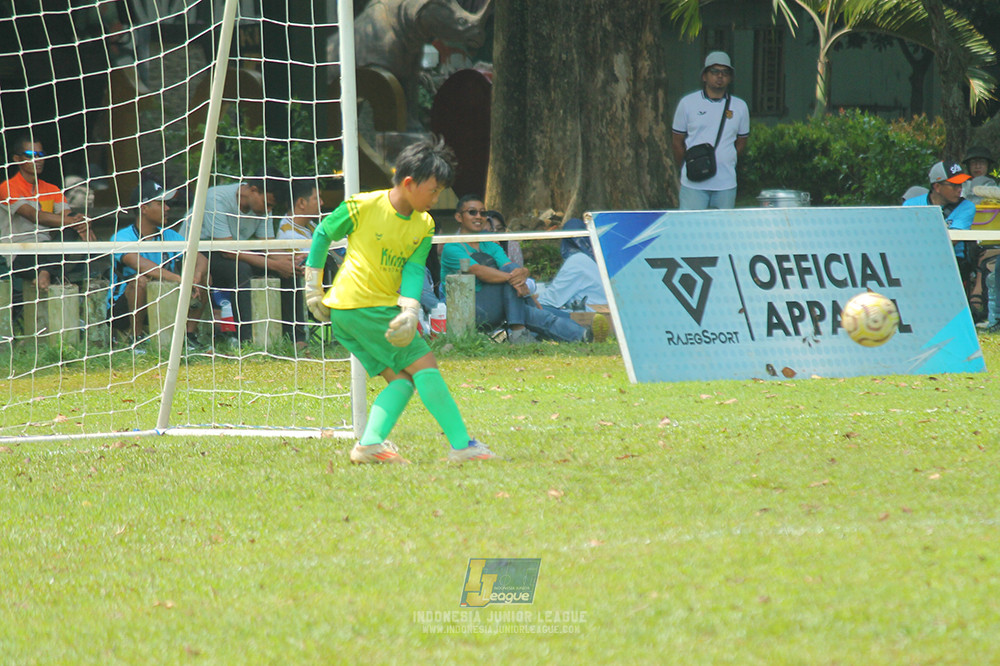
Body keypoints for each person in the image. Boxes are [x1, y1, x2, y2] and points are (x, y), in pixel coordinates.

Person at [302, 138, 496, 464]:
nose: (437, 199)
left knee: (403, 380)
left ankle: (370, 445)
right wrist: (312, 288)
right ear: (409, 183)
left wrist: (409, 309)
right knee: (426, 365)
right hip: (363, 308)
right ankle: (462, 445)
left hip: (366, 314)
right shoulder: (362, 205)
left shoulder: (425, 224)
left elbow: (413, 268)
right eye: (433, 191)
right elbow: (322, 234)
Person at [440, 195, 588, 343]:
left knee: (526, 305)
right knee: (526, 301)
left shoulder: (490, 245)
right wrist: (515, 280)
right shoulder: (452, 247)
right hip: (470, 310)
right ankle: (523, 331)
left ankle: (580, 335)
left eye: (483, 213)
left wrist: (523, 273)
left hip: (499, 305)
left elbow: (510, 266)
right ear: (459, 217)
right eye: (472, 212)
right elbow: (478, 271)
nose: (479, 216)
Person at [182, 174, 298, 346]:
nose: (268, 210)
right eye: (267, 204)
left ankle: (295, 338)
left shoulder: (263, 206)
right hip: (200, 254)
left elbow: (268, 245)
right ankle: (246, 340)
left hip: (235, 252)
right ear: (252, 190)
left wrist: (291, 261)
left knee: (290, 272)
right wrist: (276, 264)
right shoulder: (215, 198)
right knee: (241, 269)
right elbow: (227, 250)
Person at [108, 179, 209, 347]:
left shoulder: (169, 235)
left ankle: (189, 336)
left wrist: (196, 277)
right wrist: (182, 280)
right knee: (139, 280)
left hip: (163, 301)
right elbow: (142, 266)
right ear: (144, 208)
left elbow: (201, 259)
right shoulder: (122, 237)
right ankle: (135, 339)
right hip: (123, 309)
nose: (167, 208)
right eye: (160, 204)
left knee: (205, 276)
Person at [0, 135, 95, 293]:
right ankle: (49, 272)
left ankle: (45, 272)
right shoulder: (7, 188)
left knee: (76, 221)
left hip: (49, 251)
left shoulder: (52, 189)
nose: (37, 159)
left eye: (41, 155)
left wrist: (81, 222)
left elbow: (68, 217)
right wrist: (74, 221)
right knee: (73, 223)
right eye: (30, 155)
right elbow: (33, 215)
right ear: (16, 159)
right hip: (20, 254)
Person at [671, 51, 750, 210]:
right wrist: (688, 165)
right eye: (714, 71)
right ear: (704, 76)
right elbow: (677, 141)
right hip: (693, 185)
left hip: (725, 183)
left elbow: (741, 142)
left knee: (723, 232)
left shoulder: (740, 107)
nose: (720, 76)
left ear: (730, 78)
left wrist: (727, 158)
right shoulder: (688, 103)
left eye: (725, 72)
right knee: (691, 230)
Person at [275, 178, 341, 349]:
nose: (322, 202)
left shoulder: (309, 225)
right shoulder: (288, 234)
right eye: (317, 198)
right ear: (302, 203)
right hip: (311, 287)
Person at [903, 161, 976, 281]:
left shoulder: (967, 207)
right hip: (914, 262)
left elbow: (951, 242)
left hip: (952, 263)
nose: (959, 190)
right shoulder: (911, 205)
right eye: (954, 185)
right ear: (937, 187)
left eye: (961, 185)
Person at [538, 218, 607, 313]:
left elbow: (550, 299)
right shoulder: (599, 257)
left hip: (590, 315)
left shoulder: (577, 260)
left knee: (535, 309)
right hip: (604, 309)